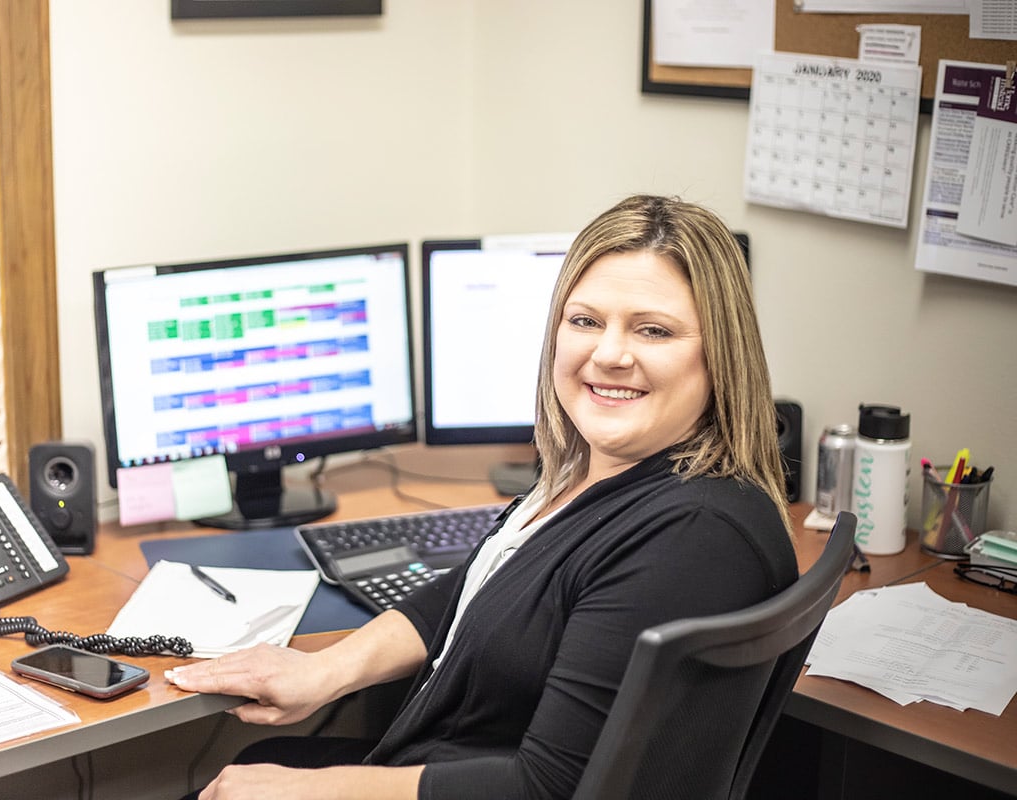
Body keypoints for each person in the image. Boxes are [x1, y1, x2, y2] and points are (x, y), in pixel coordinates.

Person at [165, 194, 798, 800]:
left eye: (653, 331)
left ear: (720, 355)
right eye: (584, 321)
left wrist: (308, 789)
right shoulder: (592, 472)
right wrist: (323, 671)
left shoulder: (691, 538)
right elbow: (473, 589)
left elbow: (547, 789)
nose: (609, 354)